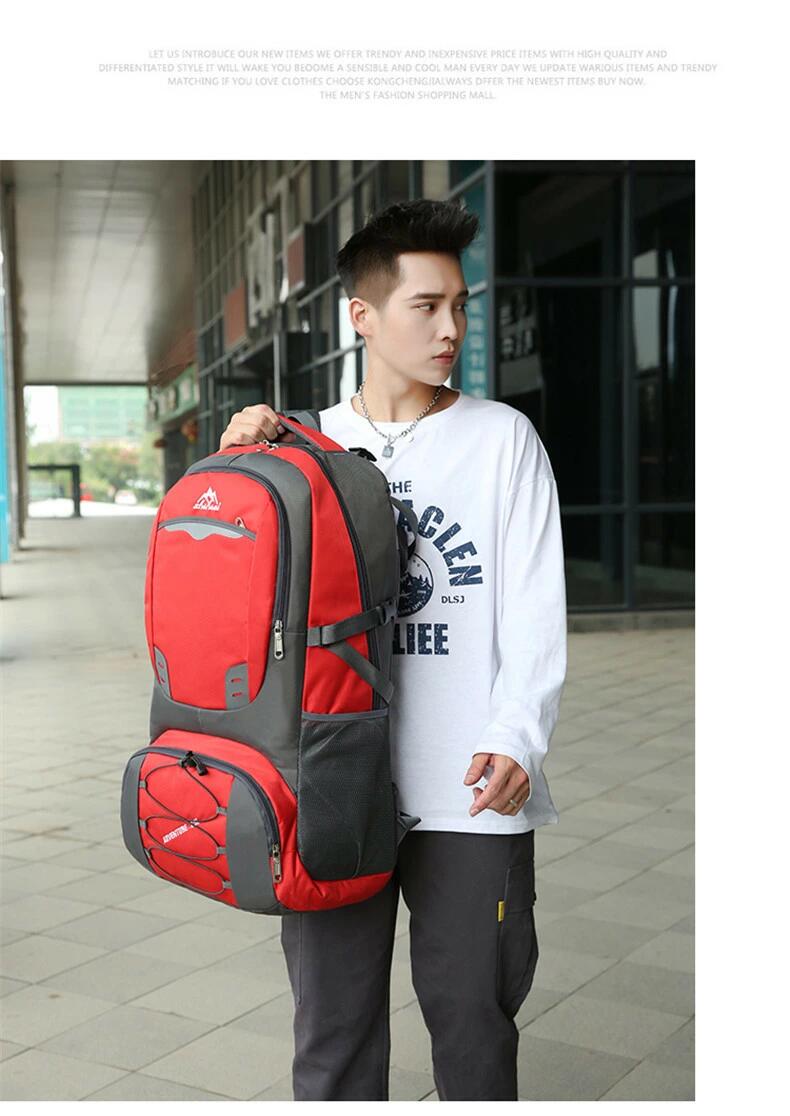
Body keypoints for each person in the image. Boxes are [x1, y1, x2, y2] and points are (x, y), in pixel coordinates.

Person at [218, 198, 567, 1101]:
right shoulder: (302, 446)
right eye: (427, 306)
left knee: (475, 1025)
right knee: (331, 1036)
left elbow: (535, 607)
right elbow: (244, 612)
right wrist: (238, 469)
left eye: (461, 306)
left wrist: (519, 735)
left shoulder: (502, 440)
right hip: (332, 785)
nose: (452, 328)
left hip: (470, 786)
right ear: (363, 317)